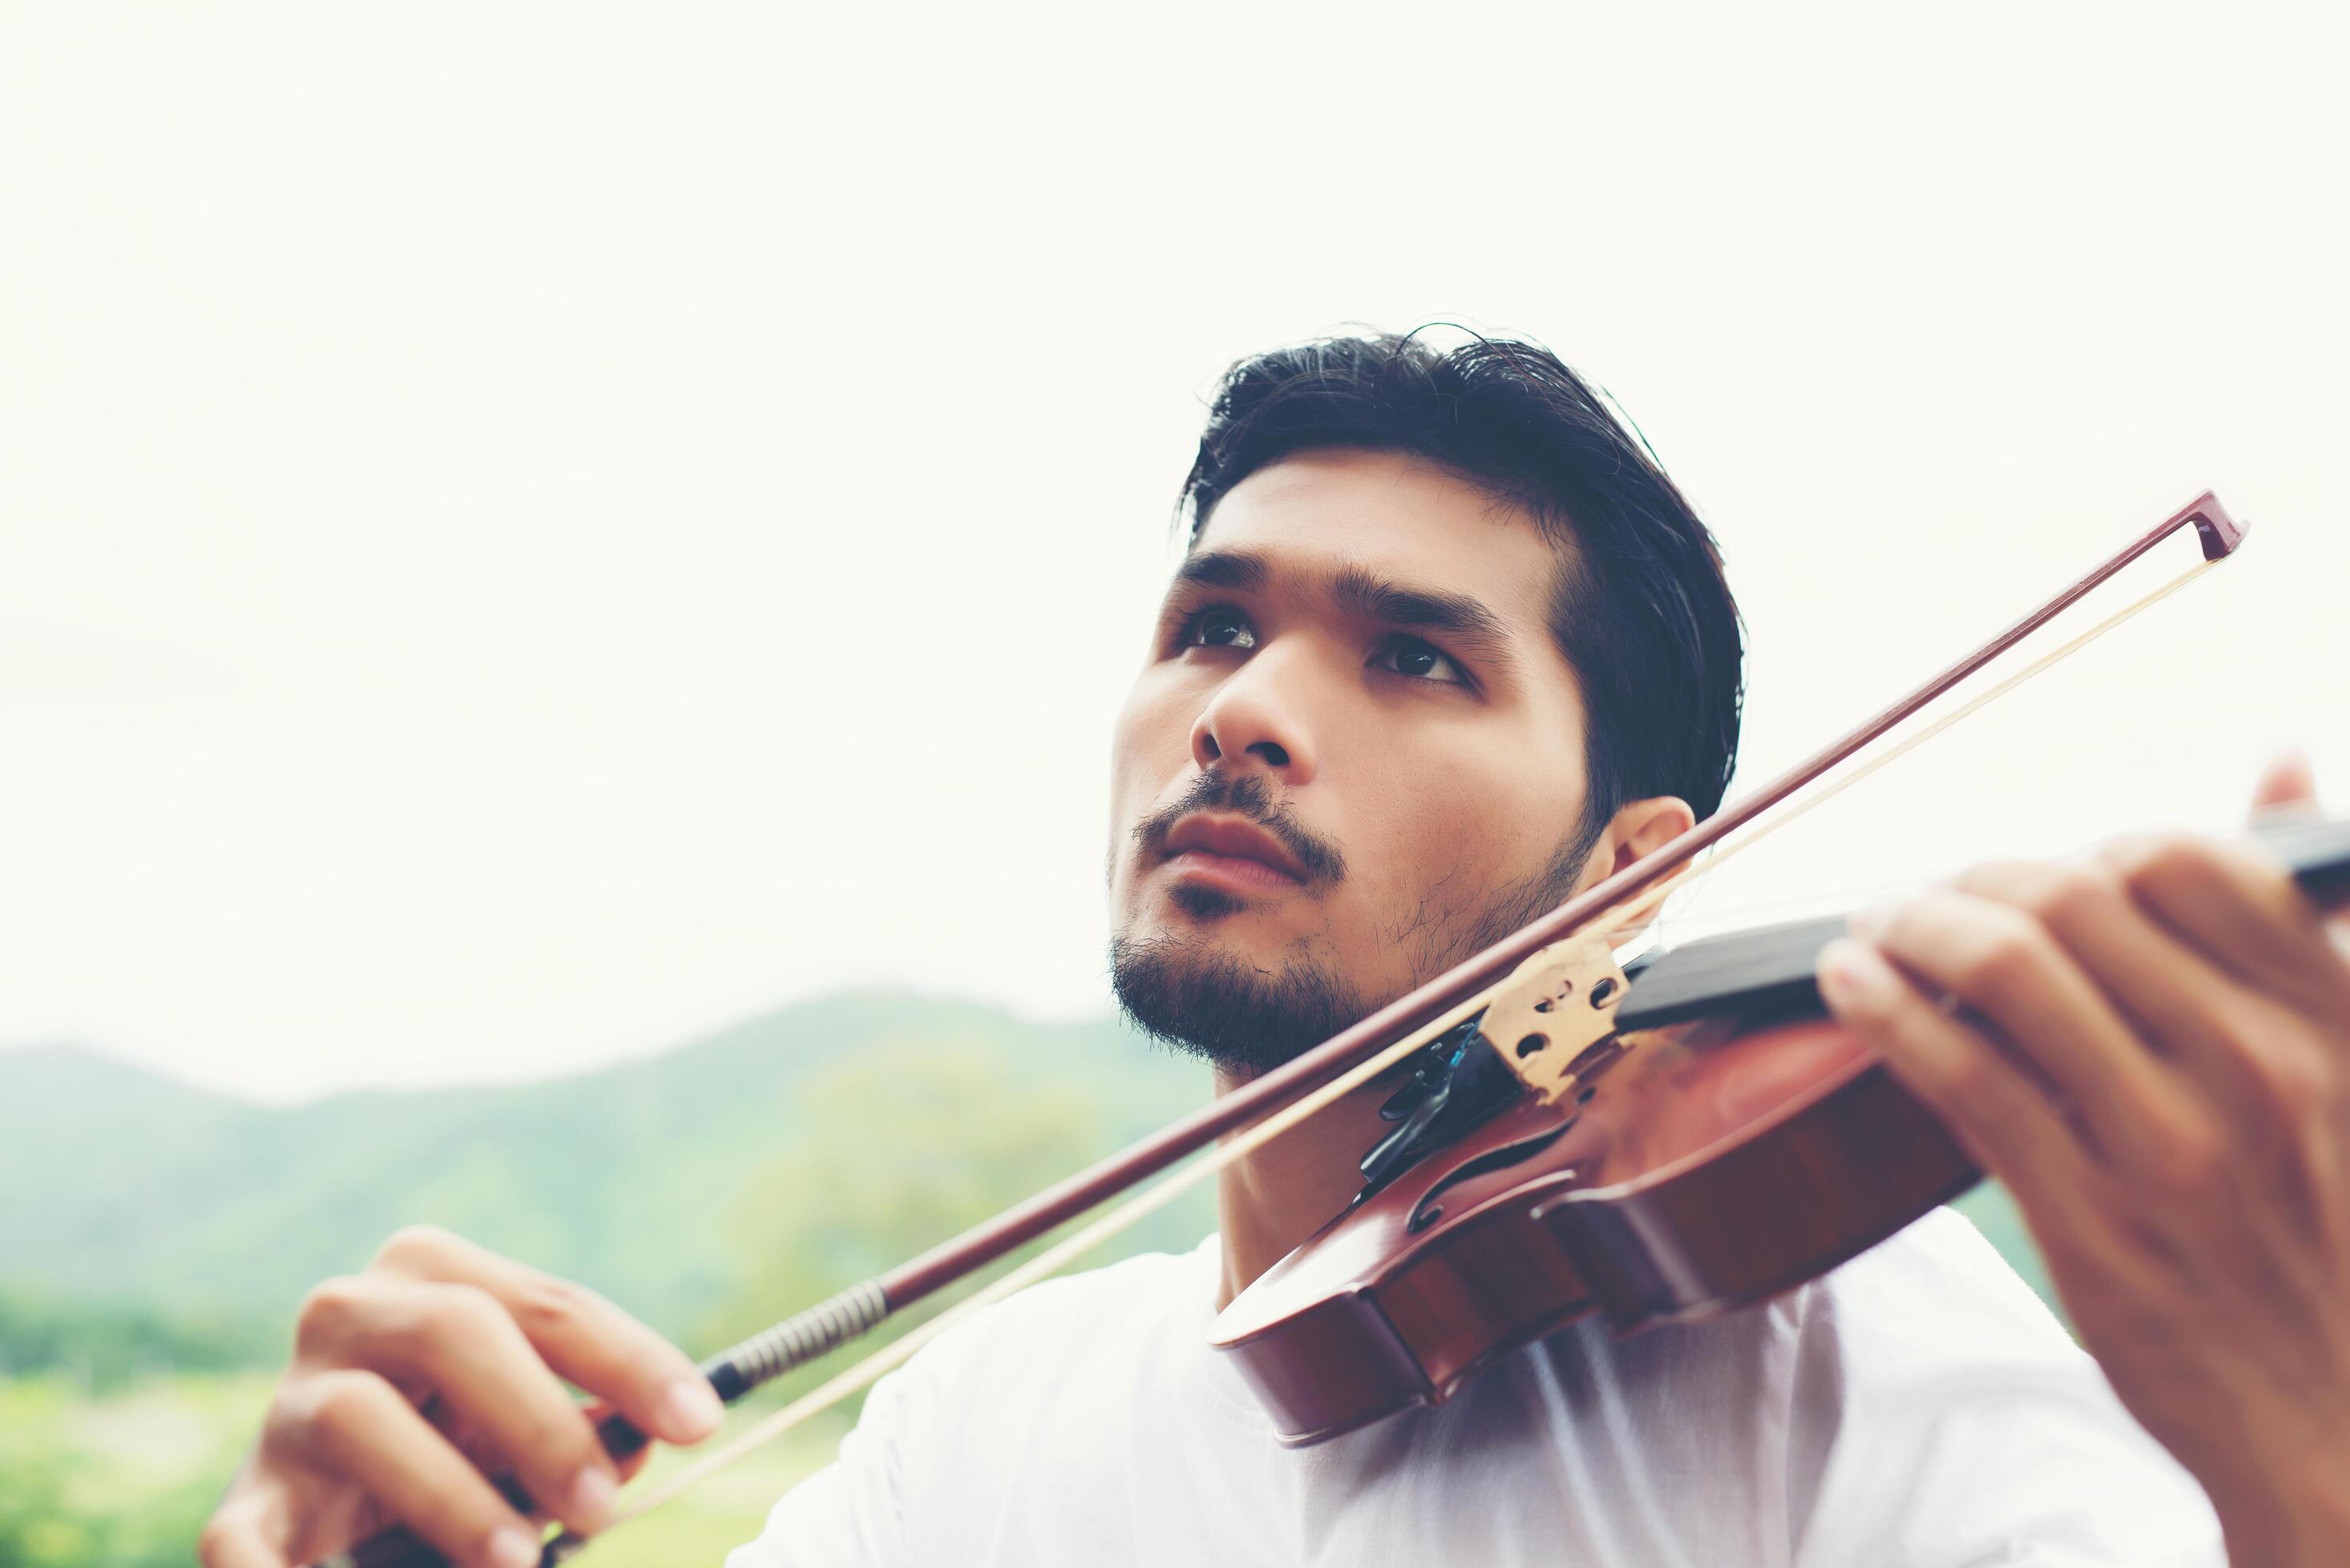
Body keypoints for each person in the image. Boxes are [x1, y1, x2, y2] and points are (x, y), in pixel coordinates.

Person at [198, 333, 2350, 1568]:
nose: (1240, 705)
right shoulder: (992, 1416)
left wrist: (2307, 1462)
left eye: (1415, 659)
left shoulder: (1840, 1362)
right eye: (1212, 624)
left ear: (1634, 866)